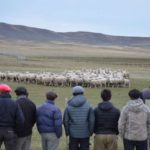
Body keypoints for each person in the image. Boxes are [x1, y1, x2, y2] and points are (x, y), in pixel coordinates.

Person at [63, 85, 95, 150]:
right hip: (85, 133)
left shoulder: (69, 106)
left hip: (73, 133)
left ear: (73, 93)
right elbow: (92, 120)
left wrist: (67, 132)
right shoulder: (89, 105)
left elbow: (65, 121)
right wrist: (91, 132)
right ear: (83, 93)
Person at [0, 84, 24, 150]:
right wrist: (17, 131)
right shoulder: (15, 103)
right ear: (9, 92)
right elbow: (20, 120)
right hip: (10, 131)